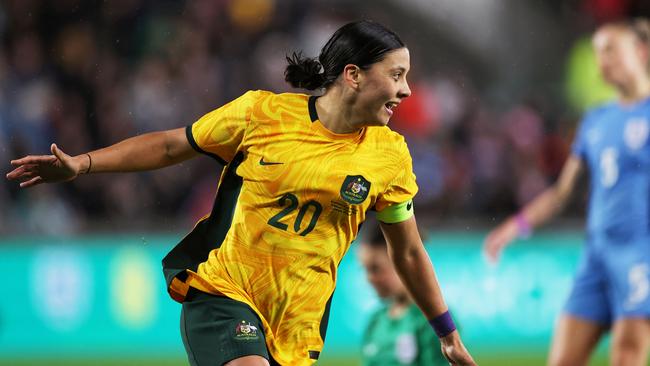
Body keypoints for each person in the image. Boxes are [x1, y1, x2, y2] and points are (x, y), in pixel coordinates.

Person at [7, 20, 475, 366]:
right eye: (396, 75)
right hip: (224, 290)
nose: (408, 90)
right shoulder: (261, 114)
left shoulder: (390, 156)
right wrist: (82, 164)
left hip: (298, 321)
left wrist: (447, 333)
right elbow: (173, 145)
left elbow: (409, 252)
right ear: (353, 75)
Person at [484, 18, 650, 366]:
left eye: (611, 51)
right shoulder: (596, 120)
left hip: (641, 255)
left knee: (626, 359)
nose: (603, 61)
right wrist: (513, 228)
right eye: (597, 54)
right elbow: (562, 192)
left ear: (641, 51)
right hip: (597, 254)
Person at [359, 227, 449, 366]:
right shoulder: (375, 321)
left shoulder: (433, 320)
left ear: (403, 263)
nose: (369, 279)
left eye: (375, 268)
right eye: (365, 270)